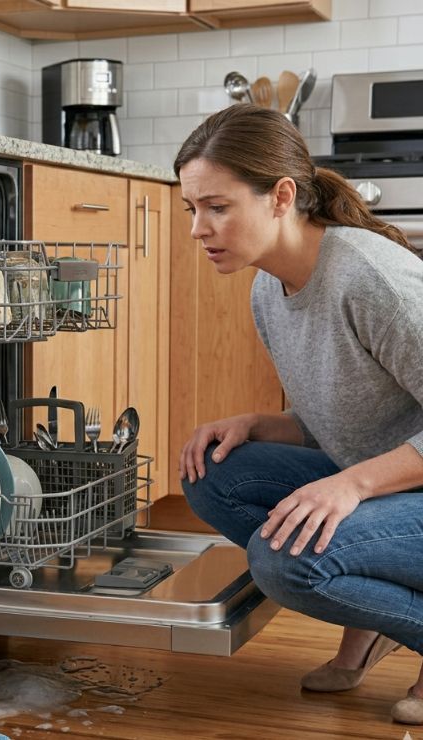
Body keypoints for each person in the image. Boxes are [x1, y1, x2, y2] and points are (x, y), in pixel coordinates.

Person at [173, 103, 423, 725]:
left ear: (281, 197)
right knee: (214, 472)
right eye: (192, 209)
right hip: (396, 483)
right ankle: (369, 627)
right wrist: (259, 424)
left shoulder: (369, 279)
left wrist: (351, 484)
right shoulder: (269, 286)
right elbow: (346, 417)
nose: (198, 228)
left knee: (285, 560)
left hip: (399, 486)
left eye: (218, 207)